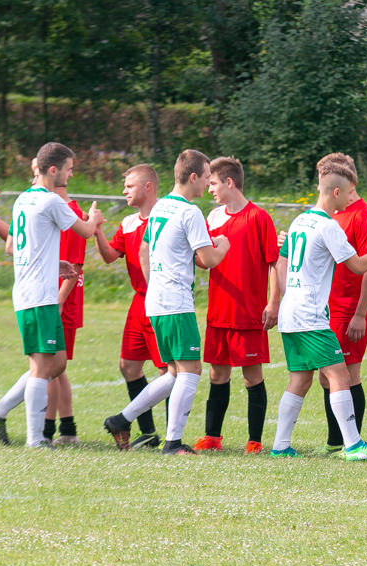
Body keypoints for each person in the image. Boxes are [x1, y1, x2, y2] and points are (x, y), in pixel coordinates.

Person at [271, 159, 367, 460]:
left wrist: (286, 294)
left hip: (290, 312)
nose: (350, 199)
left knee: (300, 378)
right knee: (339, 375)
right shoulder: (327, 226)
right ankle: (353, 445)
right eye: (348, 194)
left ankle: (281, 446)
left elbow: (280, 261)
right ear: (335, 192)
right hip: (310, 315)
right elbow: (359, 265)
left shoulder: (300, 220)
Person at [103, 149, 230, 455]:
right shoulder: (189, 212)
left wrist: (154, 282)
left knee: (174, 372)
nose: (208, 186)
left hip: (156, 300)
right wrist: (223, 244)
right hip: (176, 301)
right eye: (207, 178)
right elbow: (207, 259)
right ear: (194, 176)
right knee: (189, 371)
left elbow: (145, 251)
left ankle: (122, 419)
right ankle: (172, 443)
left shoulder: (160, 209)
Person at [0, 142, 102, 447]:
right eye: (69, 169)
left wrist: (55, 263)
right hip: (38, 297)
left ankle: (2, 410)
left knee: (56, 363)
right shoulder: (53, 201)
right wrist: (93, 217)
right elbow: (84, 231)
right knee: (42, 367)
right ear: (53, 169)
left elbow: (18, 246)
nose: (71, 175)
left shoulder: (22, 200)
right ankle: (36, 440)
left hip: (34, 292)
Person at [192, 157, 280, 454]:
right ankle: (212, 438)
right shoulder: (212, 218)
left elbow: (274, 263)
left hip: (248, 314)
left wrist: (273, 303)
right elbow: (202, 260)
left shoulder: (259, 217)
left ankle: (254, 442)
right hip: (218, 313)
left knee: (251, 376)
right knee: (217, 375)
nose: (210, 188)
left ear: (229, 183)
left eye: (213, 183)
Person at [93, 164, 168, 449]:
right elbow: (111, 256)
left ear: (148, 186)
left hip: (162, 302)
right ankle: (148, 433)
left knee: (169, 372)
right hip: (139, 303)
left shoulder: (168, 216)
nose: (124, 191)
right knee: (129, 367)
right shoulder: (128, 223)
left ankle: (175, 436)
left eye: (130, 186)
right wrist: (98, 230)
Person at [319, 153, 367, 452]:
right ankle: (335, 441)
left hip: (348, 310)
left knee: (347, 374)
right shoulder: (331, 213)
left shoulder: (364, 216)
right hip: (324, 308)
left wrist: (360, 314)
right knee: (325, 375)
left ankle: (351, 442)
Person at [44, 158, 87, 445]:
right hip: (53, 299)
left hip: (62, 302)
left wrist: (58, 303)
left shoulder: (69, 214)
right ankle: (67, 430)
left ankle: (45, 432)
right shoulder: (51, 210)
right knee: (55, 369)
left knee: (49, 367)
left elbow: (74, 266)